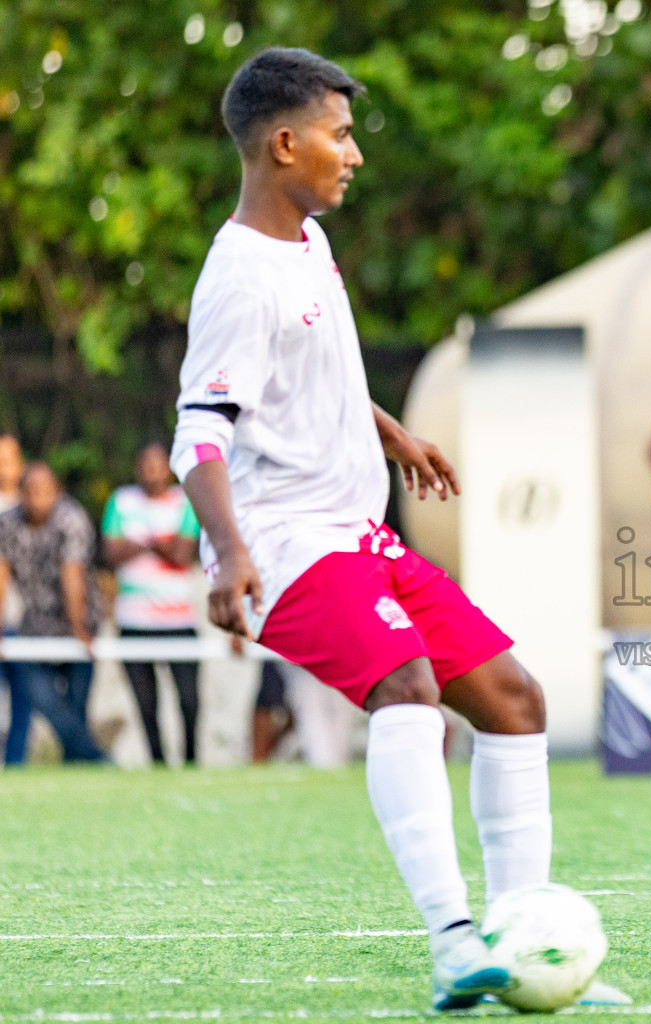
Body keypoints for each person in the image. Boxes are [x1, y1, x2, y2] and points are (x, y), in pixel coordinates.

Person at [171, 48, 579, 1010]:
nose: (352, 155)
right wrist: (229, 555)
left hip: (353, 532)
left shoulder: (308, 242)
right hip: (280, 543)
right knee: (408, 688)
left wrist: (390, 432)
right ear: (284, 143)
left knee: (514, 700)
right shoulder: (239, 277)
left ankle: (520, 941)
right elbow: (199, 432)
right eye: (339, 135)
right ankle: (451, 942)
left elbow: (315, 375)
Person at [102, 441, 203, 765]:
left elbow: (182, 556)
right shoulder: (121, 500)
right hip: (134, 621)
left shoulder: (186, 500)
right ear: (137, 468)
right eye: (145, 464)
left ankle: (190, 761)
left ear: (169, 468)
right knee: (146, 705)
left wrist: (142, 541)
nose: (151, 471)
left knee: (189, 701)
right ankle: (157, 763)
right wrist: (162, 541)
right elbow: (111, 554)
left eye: (158, 464)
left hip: (178, 621)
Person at [0, 463, 105, 763]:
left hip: (80, 624)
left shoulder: (71, 519)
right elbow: (1, 578)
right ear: (20, 493)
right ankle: (96, 759)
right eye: (29, 491)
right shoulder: (6, 524)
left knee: (76, 705)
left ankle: (81, 770)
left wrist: (79, 629)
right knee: (44, 700)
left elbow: (72, 576)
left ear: (57, 492)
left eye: (44, 491)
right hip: (36, 628)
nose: (36, 499)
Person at [0, 434, 27, 765]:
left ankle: (16, 765)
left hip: (21, 620)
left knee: (23, 702)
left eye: (9, 460)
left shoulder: (33, 500)